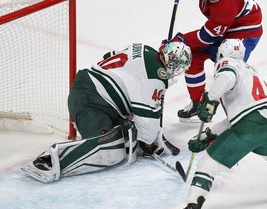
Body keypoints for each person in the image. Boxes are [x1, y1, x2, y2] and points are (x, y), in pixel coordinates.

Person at [165, 39, 267, 209]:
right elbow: (236, 118)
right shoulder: (249, 70)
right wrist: (208, 134)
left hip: (251, 122)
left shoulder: (228, 64)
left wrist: (211, 100)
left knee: (208, 161)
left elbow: (227, 77)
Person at [21, 42, 192, 183]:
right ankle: (49, 160)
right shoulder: (155, 78)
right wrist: (146, 142)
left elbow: (108, 56)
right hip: (91, 101)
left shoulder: (144, 48)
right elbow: (147, 126)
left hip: (91, 90)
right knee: (110, 148)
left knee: (127, 135)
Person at [169, 0, 263, 122]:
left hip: (245, 30)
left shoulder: (224, 9)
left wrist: (182, 40)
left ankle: (242, 116)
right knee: (194, 55)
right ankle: (197, 104)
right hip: (229, 24)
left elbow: (205, 37)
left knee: (227, 70)